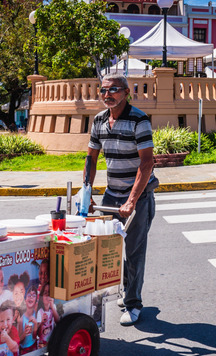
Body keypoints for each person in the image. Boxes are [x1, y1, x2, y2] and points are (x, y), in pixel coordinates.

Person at [85, 73, 158, 326]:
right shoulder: (99, 120)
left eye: (113, 90)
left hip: (138, 196)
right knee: (111, 250)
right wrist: (87, 193)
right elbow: (91, 158)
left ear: (127, 92)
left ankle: (134, 304)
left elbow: (147, 162)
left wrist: (131, 201)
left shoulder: (139, 120)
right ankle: (127, 289)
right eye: (103, 90)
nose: (107, 95)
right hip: (111, 194)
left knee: (134, 251)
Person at [19, 286, 40, 355]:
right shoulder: (22, 320)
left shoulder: (36, 315)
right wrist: (25, 333)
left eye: (33, 295)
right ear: (25, 300)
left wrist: (35, 325)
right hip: (24, 349)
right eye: (29, 295)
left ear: (36, 301)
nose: (31, 297)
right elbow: (20, 341)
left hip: (34, 346)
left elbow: (34, 337)